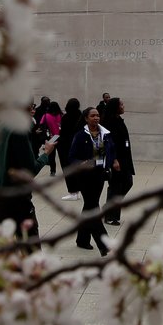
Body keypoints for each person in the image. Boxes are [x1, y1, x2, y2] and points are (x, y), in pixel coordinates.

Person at [0, 126, 57, 251]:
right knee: (31, 251)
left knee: (4, 250)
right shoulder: (19, 131)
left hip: (1, 202)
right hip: (19, 201)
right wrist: (46, 154)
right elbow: (30, 171)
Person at [67, 107, 113, 255]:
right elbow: (71, 157)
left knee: (89, 206)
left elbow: (111, 149)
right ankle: (104, 243)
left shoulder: (104, 134)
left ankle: (82, 239)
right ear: (86, 118)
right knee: (93, 208)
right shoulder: (80, 136)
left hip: (99, 174)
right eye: (92, 116)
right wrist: (80, 163)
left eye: (98, 115)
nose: (96, 118)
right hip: (85, 176)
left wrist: (112, 161)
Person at [102, 97, 133, 225]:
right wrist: (114, 160)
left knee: (127, 183)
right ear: (115, 107)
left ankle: (108, 208)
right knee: (116, 187)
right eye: (121, 104)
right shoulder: (109, 123)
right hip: (116, 160)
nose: (123, 106)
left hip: (124, 159)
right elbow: (109, 144)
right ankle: (110, 216)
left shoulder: (119, 120)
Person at [58, 98, 84, 200]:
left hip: (66, 147)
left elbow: (63, 132)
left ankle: (73, 192)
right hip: (78, 147)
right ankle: (79, 190)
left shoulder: (66, 117)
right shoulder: (81, 116)